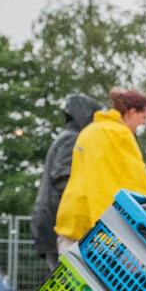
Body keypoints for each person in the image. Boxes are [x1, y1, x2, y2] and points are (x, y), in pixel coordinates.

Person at [53, 89, 146, 252]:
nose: (143, 123)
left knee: (71, 276)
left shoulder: (89, 131)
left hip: (73, 219)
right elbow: (137, 180)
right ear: (130, 113)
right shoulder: (121, 134)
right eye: (143, 117)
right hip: (103, 230)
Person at [30, 94, 102, 268]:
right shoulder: (72, 139)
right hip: (56, 221)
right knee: (67, 280)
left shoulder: (67, 137)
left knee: (63, 279)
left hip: (50, 219)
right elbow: (63, 177)